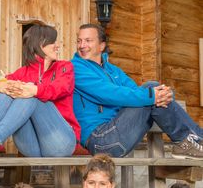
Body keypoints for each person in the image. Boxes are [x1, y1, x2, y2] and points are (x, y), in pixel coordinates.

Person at [0, 22, 80, 160]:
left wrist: (33, 90)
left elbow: (62, 88)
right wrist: (0, 87)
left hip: (60, 143)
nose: (57, 46)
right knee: (9, 90)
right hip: (30, 146)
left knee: (28, 93)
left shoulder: (64, 67)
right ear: (40, 43)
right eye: (53, 42)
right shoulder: (22, 72)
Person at [71, 23, 203, 159]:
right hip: (100, 141)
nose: (82, 45)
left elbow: (136, 91)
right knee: (151, 91)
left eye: (88, 40)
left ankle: (193, 141)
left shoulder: (113, 70)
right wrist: (154, 95)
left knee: (152, 88)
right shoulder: (75, 68)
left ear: (101, 46)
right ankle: (189, 141)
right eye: (79, 41)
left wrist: (164, 94)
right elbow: (110, 94)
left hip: (119, 132)